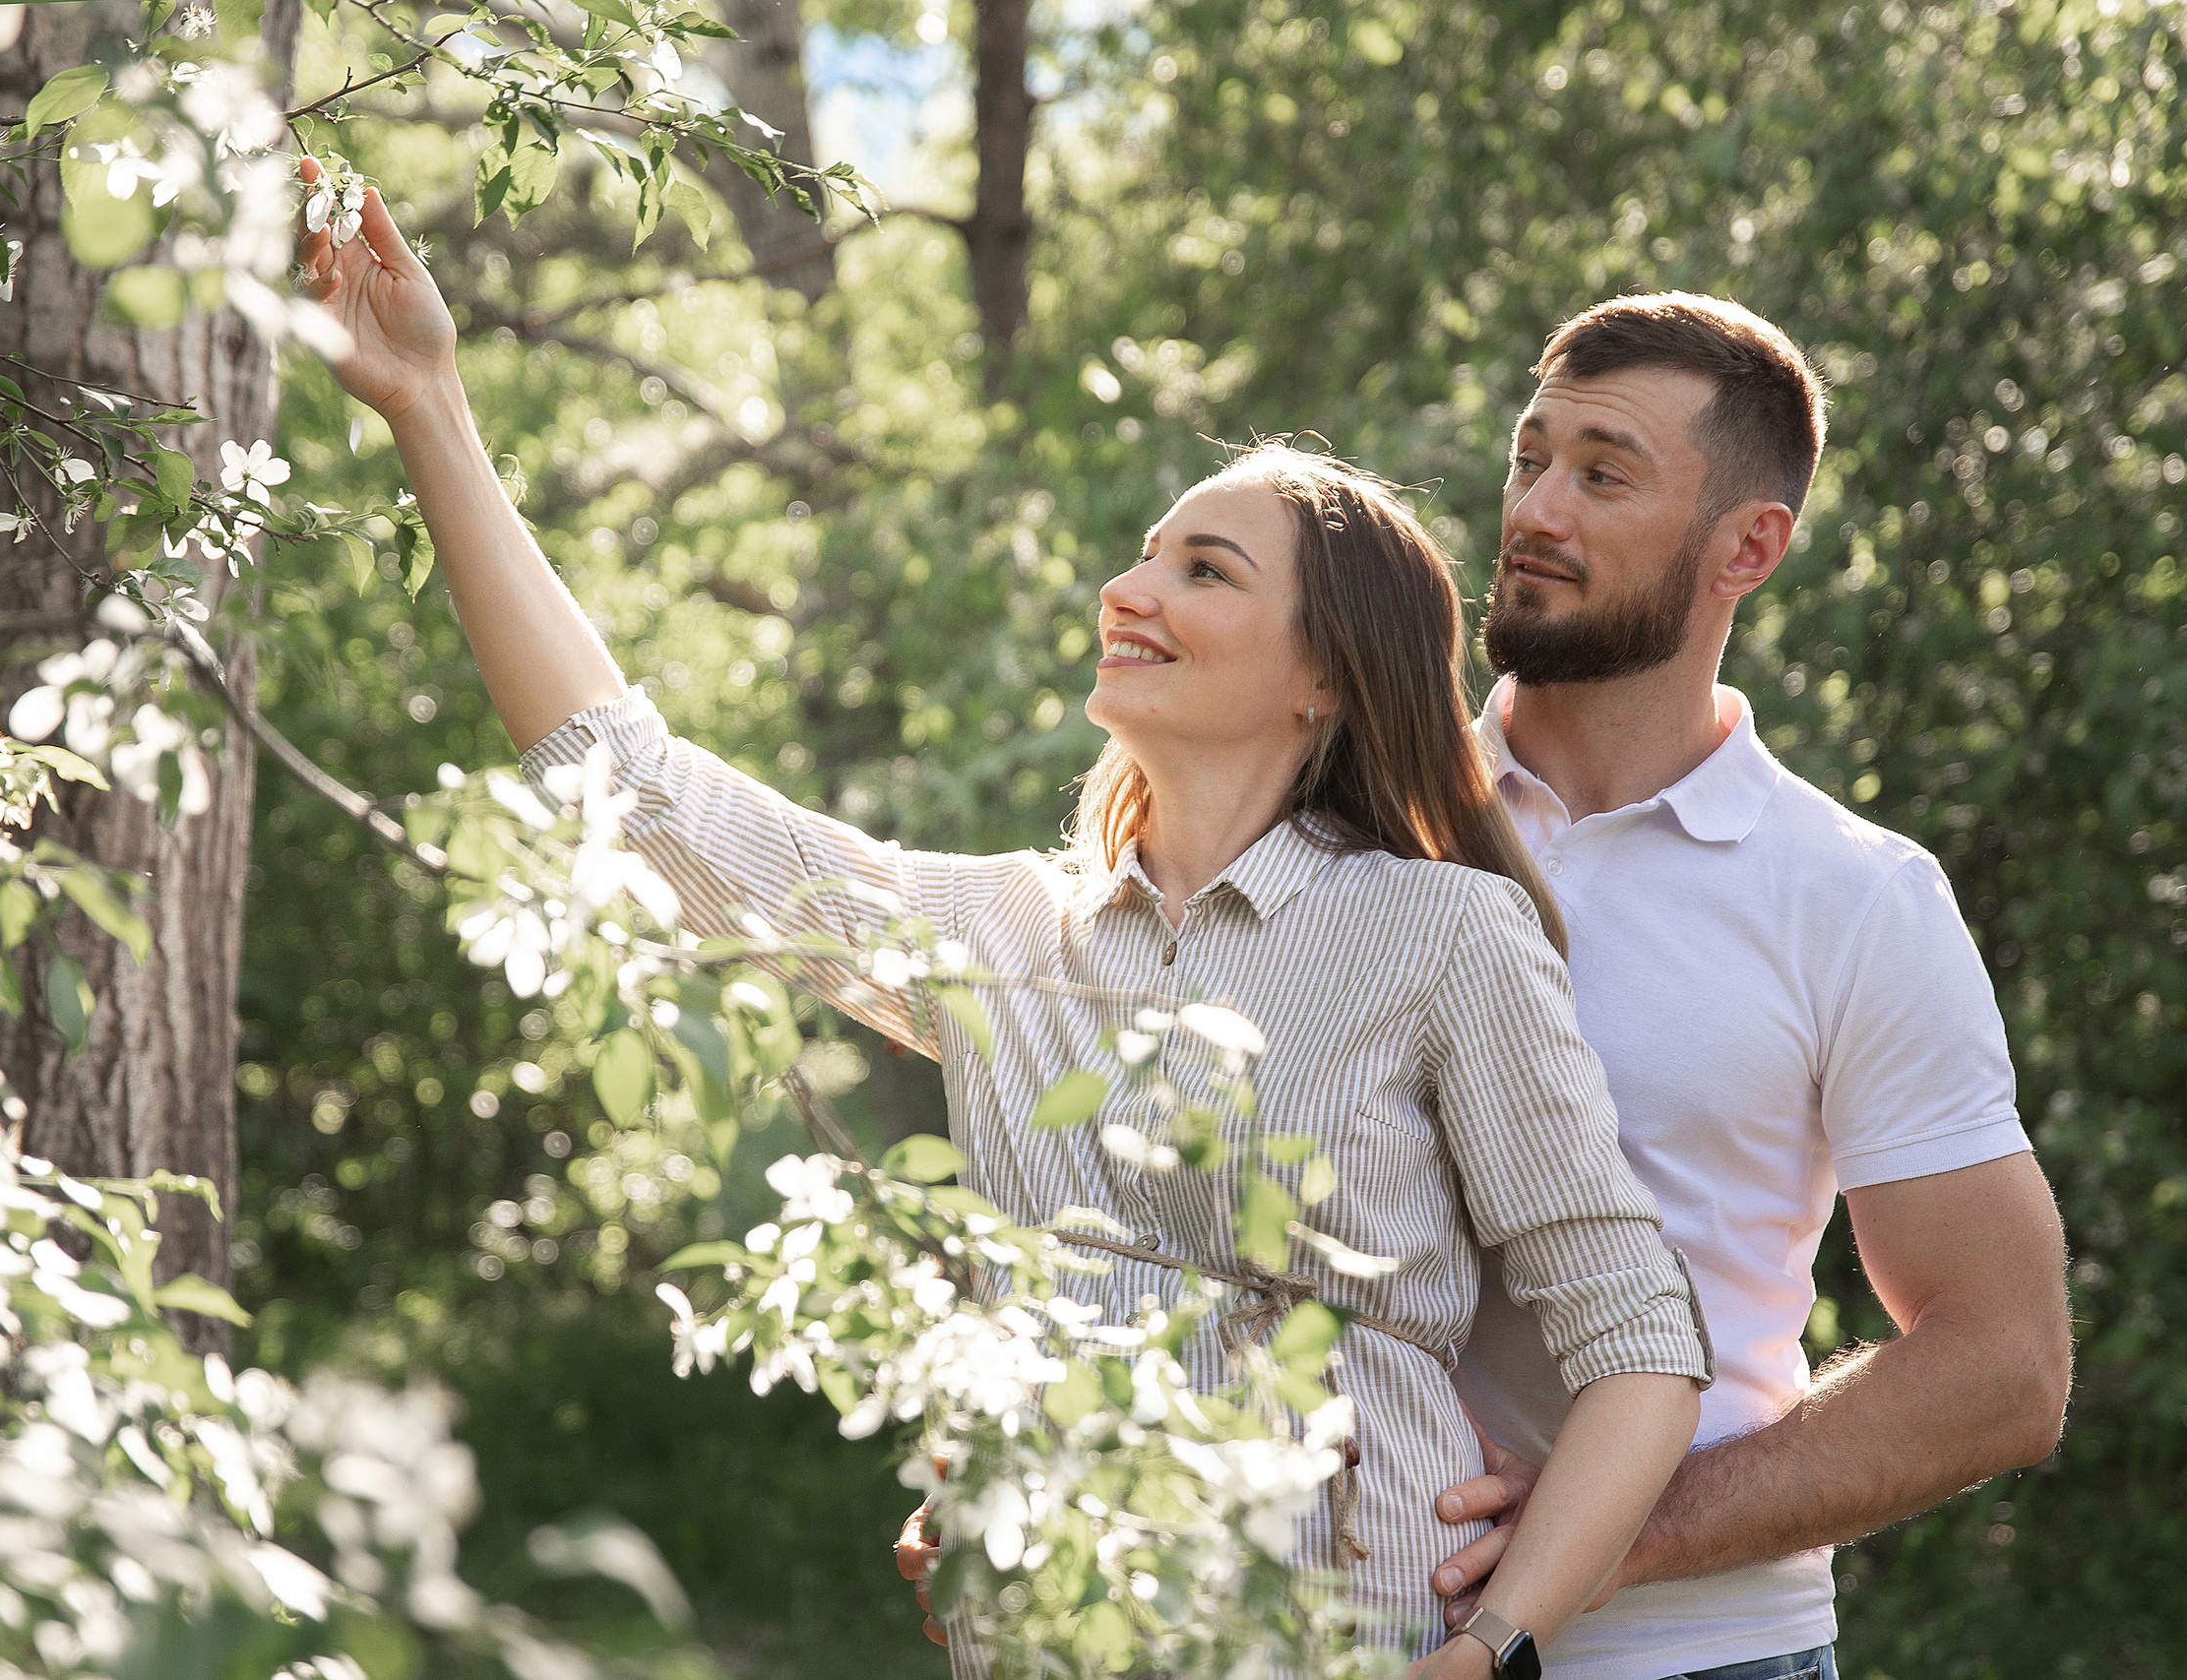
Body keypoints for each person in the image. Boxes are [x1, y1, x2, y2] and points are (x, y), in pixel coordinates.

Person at [295, 156, 1710, 1673]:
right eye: (1143, 554)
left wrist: (1492, 1647)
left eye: (1204, 569)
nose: (1128, 589)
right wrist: (429, 405)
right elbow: (629, 789)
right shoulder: (1002, 934)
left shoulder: (1443, 938)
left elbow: (1639, 1344)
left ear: (1324, 674)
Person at [1422, 293, 2073, 1680]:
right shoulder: (1366, 823)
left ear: (1750, 547)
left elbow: (2005, 1362)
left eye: (1604, 475)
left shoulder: (1854, 897)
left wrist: (1615, 1533)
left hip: (1703, 1658)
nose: (1536, 509)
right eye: (1531, 458)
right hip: (1328, 1633)